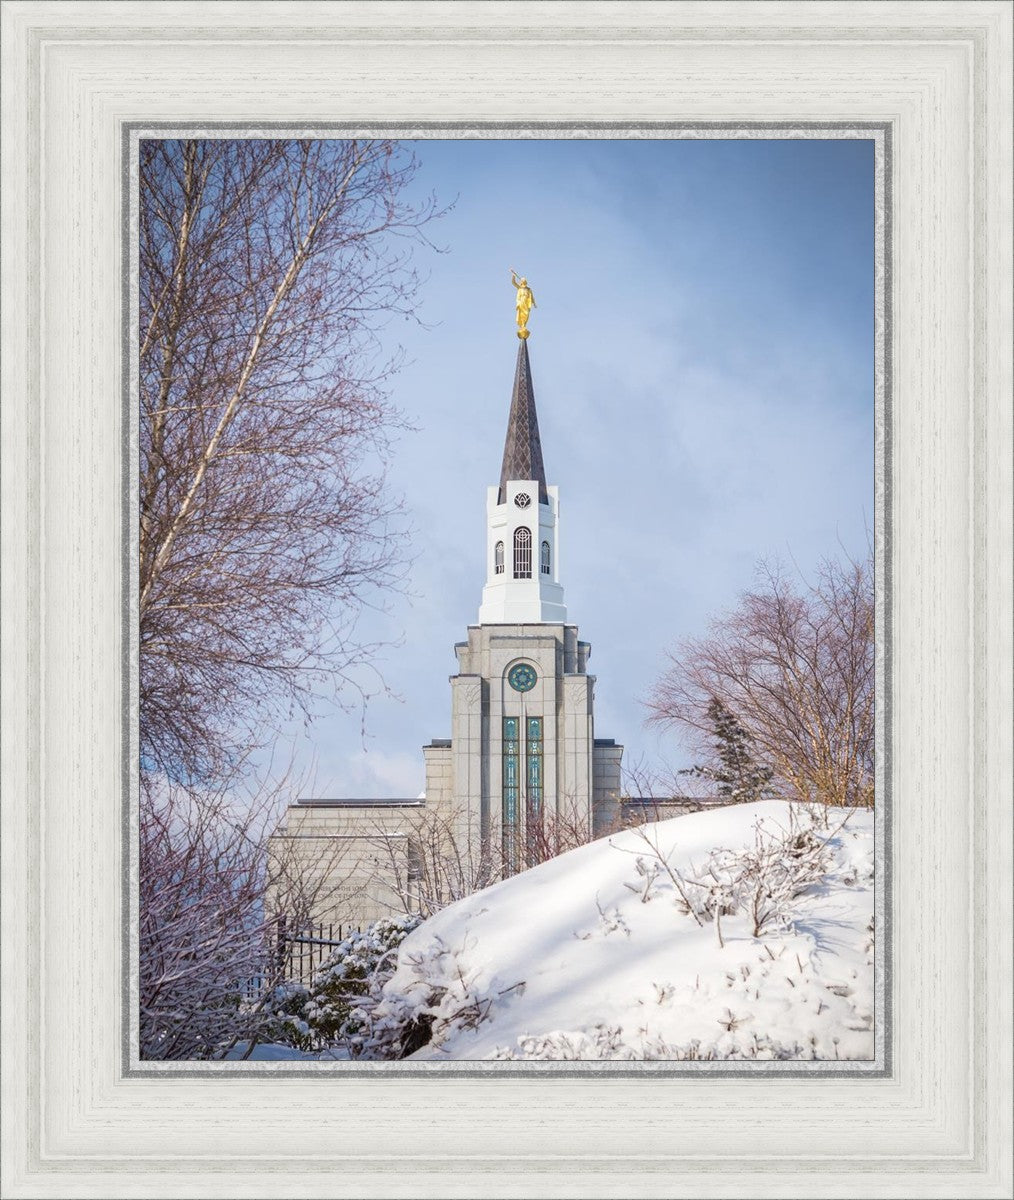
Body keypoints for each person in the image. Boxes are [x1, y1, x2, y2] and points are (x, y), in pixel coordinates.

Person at [510, 269, 536, 335]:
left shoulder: (528, 289)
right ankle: (522, 325)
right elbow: (513, 283)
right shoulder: (520, 288)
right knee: (521, 314)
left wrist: (534, 303)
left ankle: (524, 325)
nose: (523, 281)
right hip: (521, 301)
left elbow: (532, 297)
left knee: (526, 314)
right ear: (521, 282)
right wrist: (513, 275)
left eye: (524, 280)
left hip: (526, 303)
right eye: (522, 280)